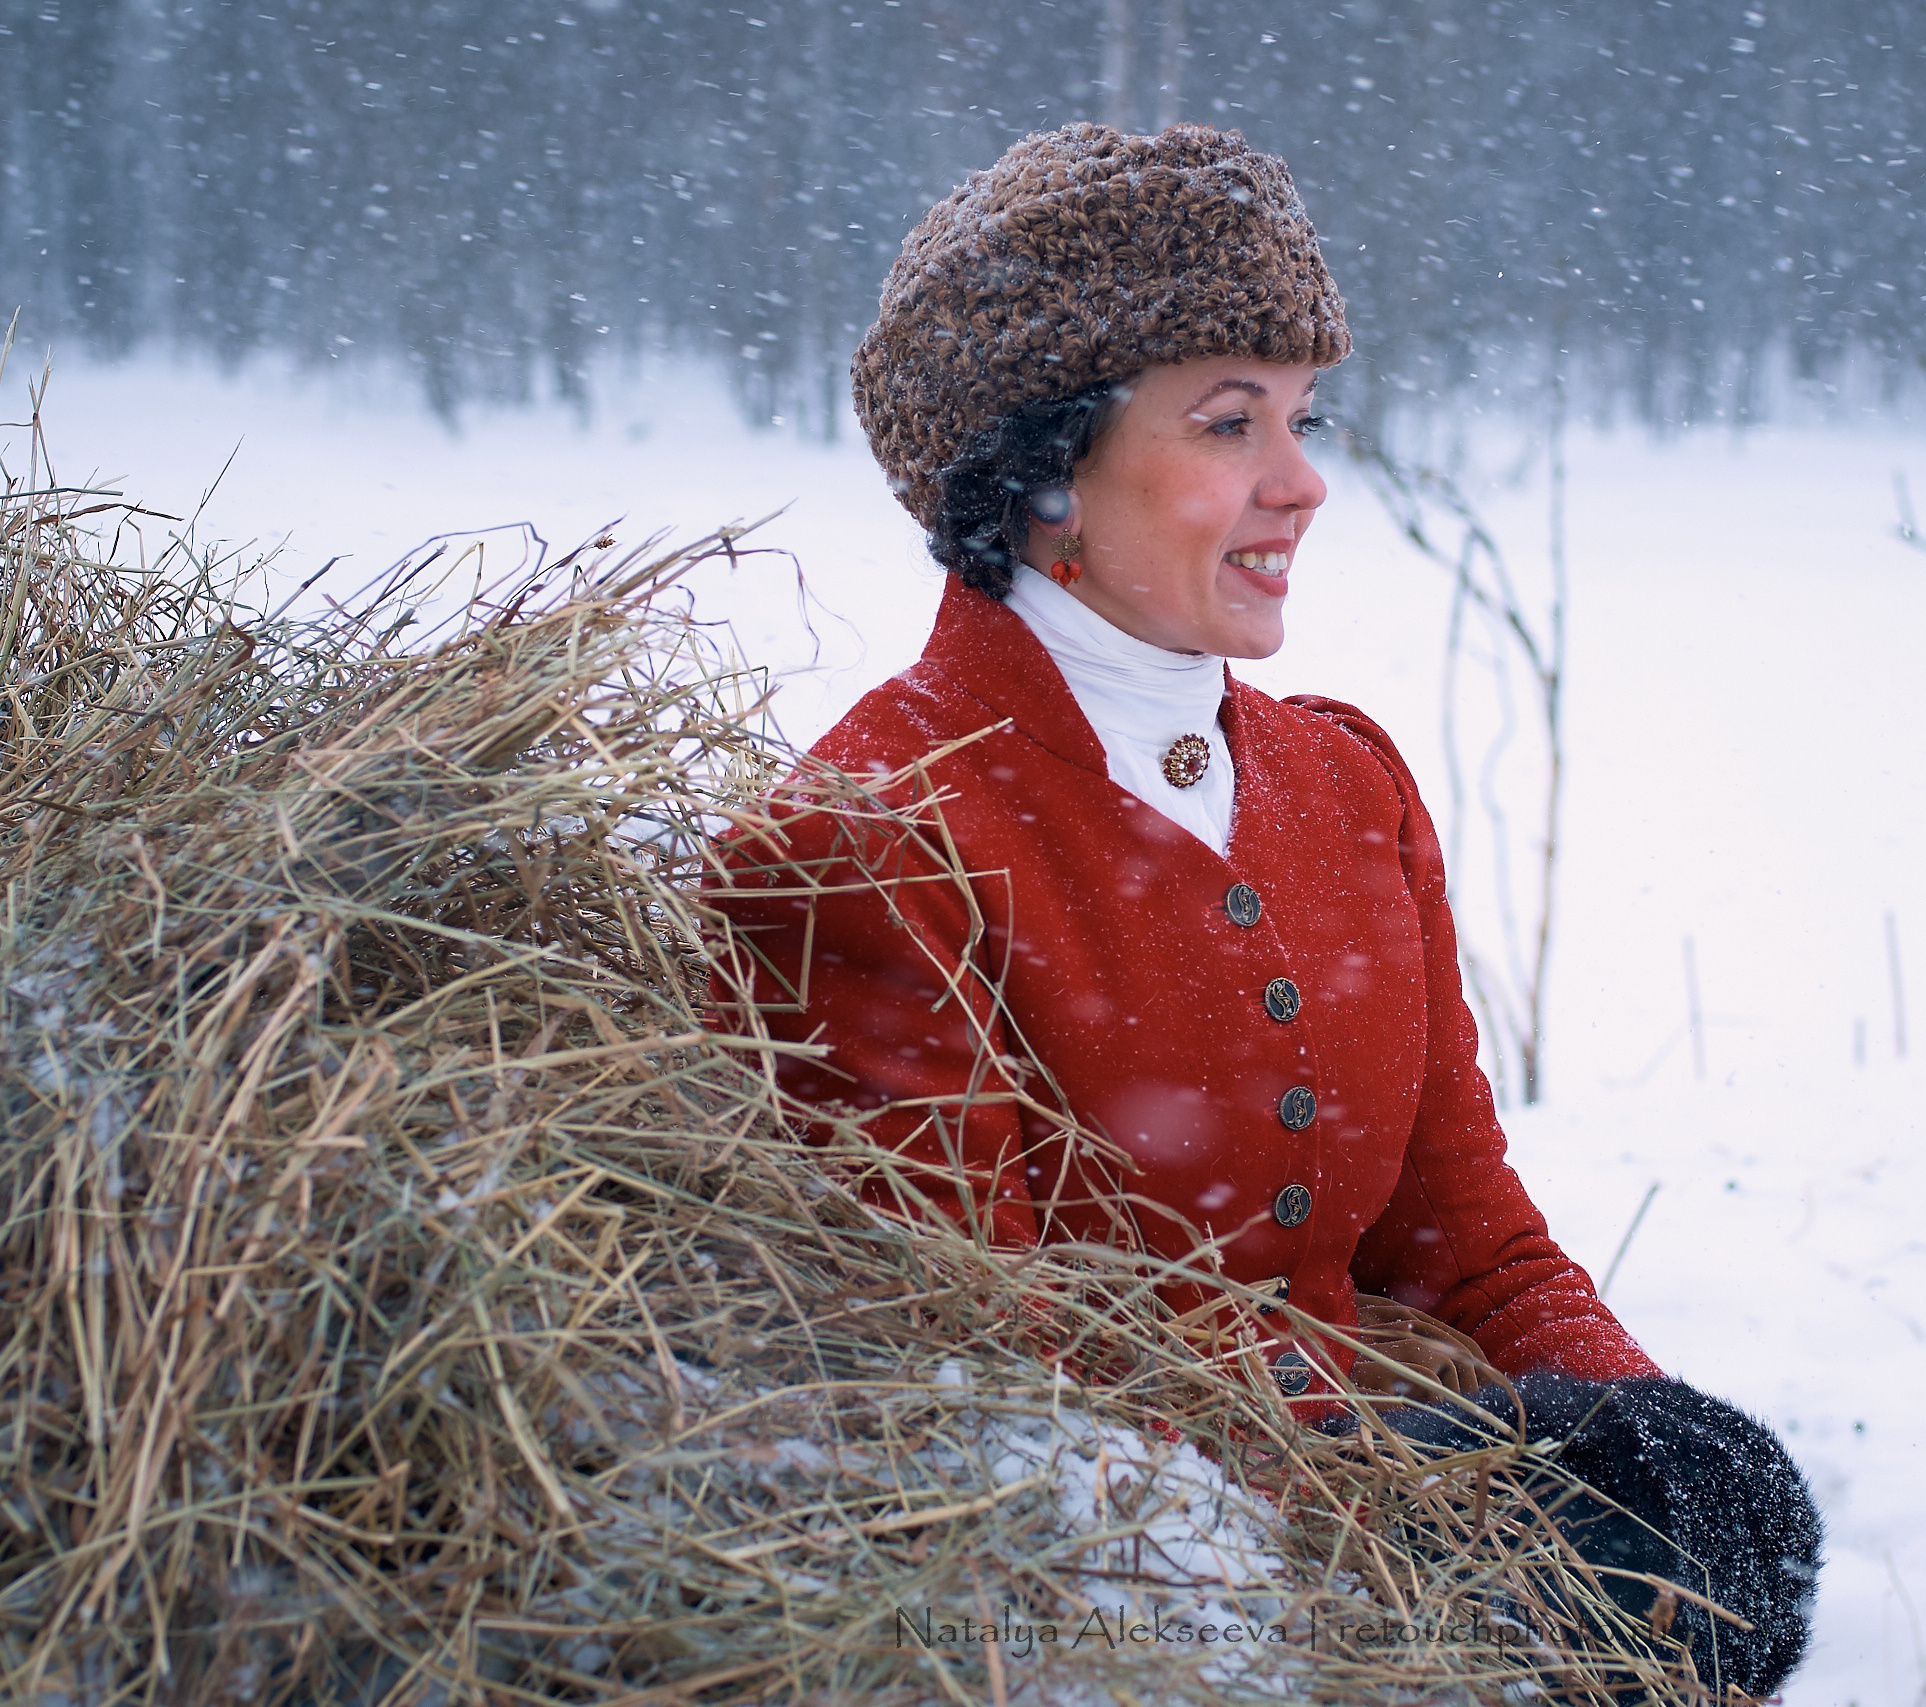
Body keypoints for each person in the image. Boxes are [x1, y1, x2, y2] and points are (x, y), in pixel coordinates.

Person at [705, 122, 1818, 1698]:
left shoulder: (1347, 786)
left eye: (1304, 419)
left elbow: (1471, 1247)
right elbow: (979, 1384)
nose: (1302, 485)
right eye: (1230, 425)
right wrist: (1410, 1528)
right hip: (1115, 1618)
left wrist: (1652, 1459)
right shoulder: (865, 839)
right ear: (1039, 479)